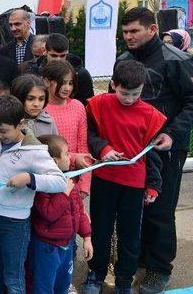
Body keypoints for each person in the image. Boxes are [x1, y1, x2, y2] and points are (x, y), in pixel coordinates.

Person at [114, 6, 193, 293]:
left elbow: (191, 102)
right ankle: (140, 260)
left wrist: (172, 134)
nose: (129, 37)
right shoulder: (122, 60)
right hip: (132, 150)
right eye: (124, 32)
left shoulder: (178, 61)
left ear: (152, 29)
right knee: (134, 207)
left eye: (134, 31)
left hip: (166, 148)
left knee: (160, 209)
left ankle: (160, 269)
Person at [83, 60, 167, 294]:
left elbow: (152, 154)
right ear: (112, 84)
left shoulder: (150, 115)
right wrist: (103, 148)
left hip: (134, 184)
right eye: (124, 93)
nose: (129, 99)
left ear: (143, 89)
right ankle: (96, 273)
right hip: (105, 179)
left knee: (130, 234)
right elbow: (88, 133)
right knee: (100, 229)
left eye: (135, 94)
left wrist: (153, 185)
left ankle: (123, 280)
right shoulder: (98, 104)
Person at [0, 95, 67, 294]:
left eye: (4, 131)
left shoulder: (35, 150)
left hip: (14, 223)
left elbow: (60, 181)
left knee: (13, 277)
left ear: (21, 124)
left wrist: (29, 178)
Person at [30, 135, 93, 294]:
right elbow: (49, 213)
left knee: (63, 284)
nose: (70, 157)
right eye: (66, 153)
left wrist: (87, 237)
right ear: (54, 161)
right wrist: (64, 194)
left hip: (67, 245)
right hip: (47, 248)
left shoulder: (69, 180)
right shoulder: (43, 184)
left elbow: (79, 210)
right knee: (44, 286)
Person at [43, 60, 90, 197]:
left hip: (72, 178)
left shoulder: (78, 107)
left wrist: (84, 185)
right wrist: (75, 158)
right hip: (47, 177)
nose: (67, 88)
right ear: (46, 81)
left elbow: (83, 146)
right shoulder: (40, 108)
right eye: (62, 83)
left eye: (70, 83)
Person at [19, 33, 95, 105]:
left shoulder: (80, 74)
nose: (58, 60)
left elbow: (88, 104)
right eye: (54, 56)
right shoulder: (33, 72)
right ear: (45, 51)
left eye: (62, 56)